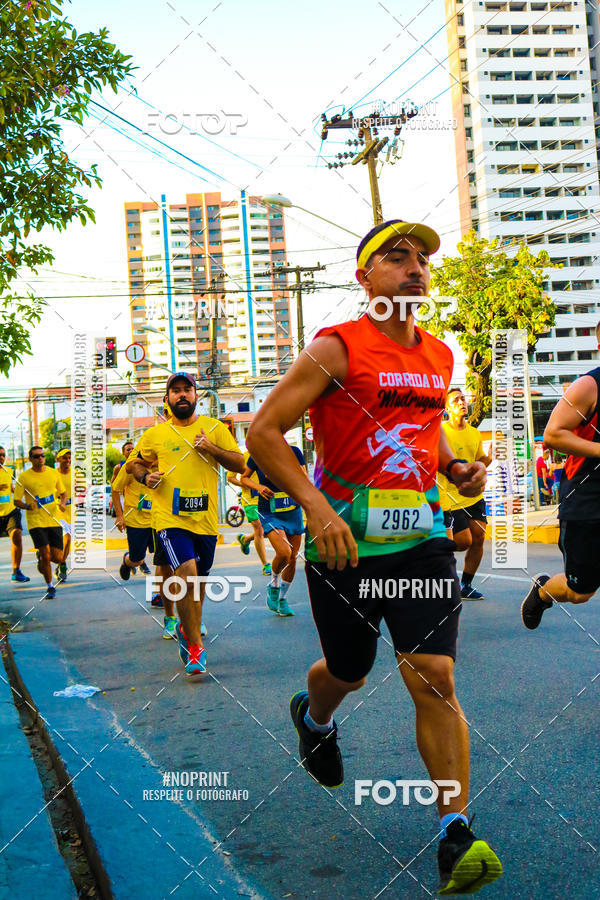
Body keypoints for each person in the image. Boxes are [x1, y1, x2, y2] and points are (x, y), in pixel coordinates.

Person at [246, 219, 502, 895]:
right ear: (365, 277)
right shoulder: (336, 348)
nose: (414, 267)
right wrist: (317, 507)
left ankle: (455, 833)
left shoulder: (439, 356)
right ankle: (314, 715)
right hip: (344, 545)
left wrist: (457, 468)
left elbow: (424, 428)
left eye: (421, 258)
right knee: (349, 671)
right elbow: (264, 432)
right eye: (396, 257)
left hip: (420, 539)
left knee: (435, 675)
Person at [131, 372, 244, 675]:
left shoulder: (214, 428)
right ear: (166, 399)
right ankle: (195, 647)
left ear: (196, 396)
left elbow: (239, 463)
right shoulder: (156, 435)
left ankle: (186, 628)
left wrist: (212, 449)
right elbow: (135, 464)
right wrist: (146, 476)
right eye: (175, 391)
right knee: (187, 571)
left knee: (199, 583)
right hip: (170, 518)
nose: (182, 395)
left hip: (205, 522)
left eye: (187, 390)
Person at [522, 352, 600, 628]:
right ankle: (543, 590)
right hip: (587, 504)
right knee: (580, 593)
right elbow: (554, 433)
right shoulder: (589, 386)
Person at [240, 444, 307, 617]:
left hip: (293, 510)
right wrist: (259, 487)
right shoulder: (257, 453)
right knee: (284, 552)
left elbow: (304, 477)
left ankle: (283, 599)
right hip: (269, 510)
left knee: (292, 558)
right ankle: (274, 584)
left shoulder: (294, 452)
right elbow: (244, 478)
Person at [437, 389, 492, 601]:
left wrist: (487, 460)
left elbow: (478, 462)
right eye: (456, 400)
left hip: (473, 497)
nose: (462, 402)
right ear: (447, 408)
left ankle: (466, 584)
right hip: (449, 497)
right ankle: (436, 562)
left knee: (478, 538)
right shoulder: (441, 432)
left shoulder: (475, 433)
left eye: (463, 399)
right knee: (463, 541)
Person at [13, 446, 65, 599]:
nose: (40, 458)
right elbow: (16, 500)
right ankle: (50, 586)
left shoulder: (53, 473)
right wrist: (28, 506)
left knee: (58, 558)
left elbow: (63, 493)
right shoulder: (23, 477)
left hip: (53, 518)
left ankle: (41, 559)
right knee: (46, 555)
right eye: (36, 456)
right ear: (30, 459)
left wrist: (62, 503)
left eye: (42, 455)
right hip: (36, 521)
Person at [227, 453, 271, 575]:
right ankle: (265, 564)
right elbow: (230, 477)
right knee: (259, 528)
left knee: (269, 529)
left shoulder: (268, 455)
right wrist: (246, 485)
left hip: (267, 497)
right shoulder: (243, 457)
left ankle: (246, 539)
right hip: (250, 499)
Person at [112, 441, 150, 574]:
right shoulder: (124, 468)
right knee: (137, 559)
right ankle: (129, 561)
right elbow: (115, 488)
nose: (131, 451)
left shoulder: (161, 465)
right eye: (128, 449)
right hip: (135, 519)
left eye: (132, 449)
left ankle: (162, 592)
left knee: (164, 558)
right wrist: (119, 515)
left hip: (157, 518)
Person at [0, 446, 29, 583]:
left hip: (10, 510)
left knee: (17, 535)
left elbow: (11, 488)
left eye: (3, 455)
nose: (1, 457)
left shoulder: (8, 471)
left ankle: (16, 571)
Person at [55, 448, 72, 583]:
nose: (67, 460)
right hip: (56, 510)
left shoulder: (76, 474)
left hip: (71, 511)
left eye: (69, 457)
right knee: (65, 538)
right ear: (58, 459)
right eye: (64, 457)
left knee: (68, 540)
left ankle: (61, 562)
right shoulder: (52, 474)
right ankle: (62, 564)